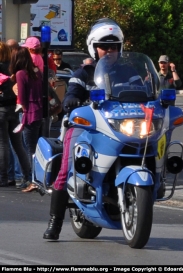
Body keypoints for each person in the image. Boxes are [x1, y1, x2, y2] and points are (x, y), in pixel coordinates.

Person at [43, 18, 129, 240]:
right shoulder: (82, 74)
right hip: (87, 126)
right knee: (67, 168)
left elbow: (144, 93)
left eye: (114, 46)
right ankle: (55, 223)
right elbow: (71, 94)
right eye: (104, 46)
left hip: (118, 128)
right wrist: (71, 101)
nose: (109, 51)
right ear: (94, 47)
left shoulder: (128, 73)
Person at [9, 46, 43, 191]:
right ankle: (34, 178)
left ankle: (32, 179)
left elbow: (21, 97)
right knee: (33, 146)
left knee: (28, 147)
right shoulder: (36, 72)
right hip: (38, 110)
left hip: (27, 112)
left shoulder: (20, 74)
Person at [0, 42, 31, 188]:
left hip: (1, 108)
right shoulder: (12, 67)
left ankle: (3, 177)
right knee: (18, 145)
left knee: (2, 144)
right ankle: (27, 175)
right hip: (15, 107)